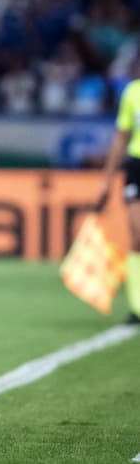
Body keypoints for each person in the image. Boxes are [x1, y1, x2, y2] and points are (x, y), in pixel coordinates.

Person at [95, 77, 140, 325]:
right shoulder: (133, 92)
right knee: (137, 235)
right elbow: (122, 137)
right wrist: (106, 179)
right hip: (137, 165)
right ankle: (137, 305)